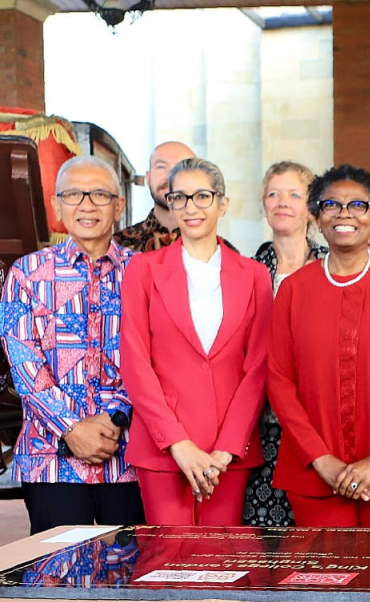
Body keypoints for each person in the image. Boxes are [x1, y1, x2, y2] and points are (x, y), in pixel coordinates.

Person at [269, 164, 370, 527]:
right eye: (331, 204)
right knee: (324, 577)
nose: (344, 213)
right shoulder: (294, 291)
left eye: (357, 205)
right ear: (316, 216)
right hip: (315, 473)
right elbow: (279, 382)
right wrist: (321, 460)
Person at [120, 158, 273, 524]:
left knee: (223, 565)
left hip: (229, 451)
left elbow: (258, 368)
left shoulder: (254, 275)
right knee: (168, 566)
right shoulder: (142, 269)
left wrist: (225, 450)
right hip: (163, 449)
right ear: (169, 204)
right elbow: (135, 361)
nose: (191, 207)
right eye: (180, 197)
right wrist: (177, 443)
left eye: (202, 196)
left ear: (223, 203)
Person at [1, 156, 146, 533]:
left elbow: (155, 358)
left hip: (129, 456)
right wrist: (71, 428)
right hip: (51, 459)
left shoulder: (144, 272)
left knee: (130, 576)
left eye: (99, 194)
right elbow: (23, 361)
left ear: (119, 205)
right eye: (74, 194)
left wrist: (116, 417)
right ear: (56, 205)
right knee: (57, 580)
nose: (86, 204)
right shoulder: (28, 274)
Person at [242, 161, 327, 527]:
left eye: (294, 194)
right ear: (263, 204)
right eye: (274, 194)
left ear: (310, 207)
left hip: (315, 424)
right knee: (261, 544)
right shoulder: (247, 270)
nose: (283, 202)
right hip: (256, 425)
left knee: (313, 541)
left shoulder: (330, 268)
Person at [115, 141, 195, 252]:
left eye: (180, 168)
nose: (169, 176)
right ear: (148, 178)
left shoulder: (213, 248)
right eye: (161, 167)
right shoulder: (118, 246)